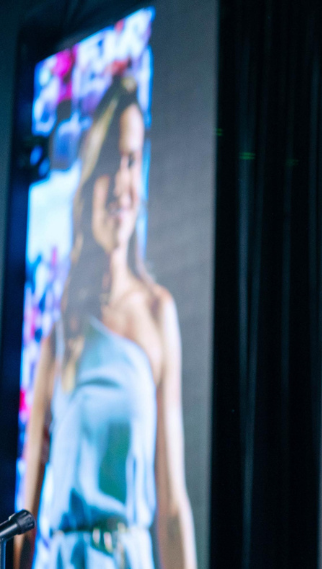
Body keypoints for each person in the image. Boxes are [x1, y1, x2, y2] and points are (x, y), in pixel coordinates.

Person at [15, 76, 197, 569]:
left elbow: (173, 502)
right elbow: (25, 506)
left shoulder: (160, 314)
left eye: (133, 161)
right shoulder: (61, 333)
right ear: (89, 178)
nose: (122, 182)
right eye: (111, 163)